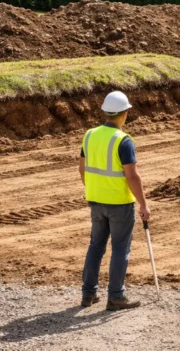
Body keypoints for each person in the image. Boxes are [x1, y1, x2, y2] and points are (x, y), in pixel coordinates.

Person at [79, 91, 151, 311]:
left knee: (96, 247)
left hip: (96, 201)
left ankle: (88, 294)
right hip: (120, 204)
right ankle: (116, 297)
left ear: (105, 112)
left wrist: (94, 189)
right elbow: (132, 176)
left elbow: (82, 168)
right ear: (124, 114)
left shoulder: (89, 135)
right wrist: (143, 204)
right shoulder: (124, 141)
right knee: (120, 249)